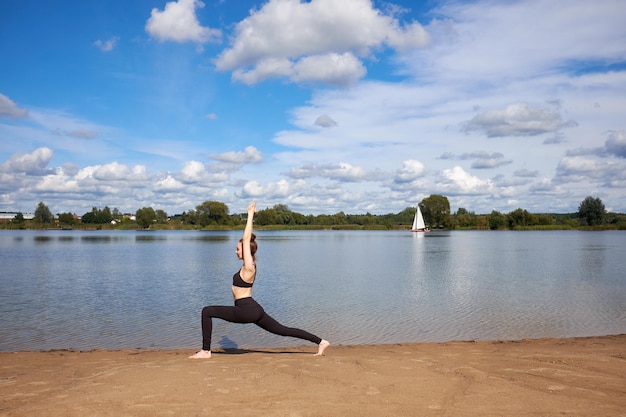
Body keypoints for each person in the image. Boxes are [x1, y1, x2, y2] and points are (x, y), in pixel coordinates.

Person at [189, 200, 330, 359]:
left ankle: (205, 351)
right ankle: (320, 341)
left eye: (238, 249)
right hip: (253, 309)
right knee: (282, 330)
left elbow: (246, 236)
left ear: (246, 250)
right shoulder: (247, 266)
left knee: (207, 311)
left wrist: (250, 215)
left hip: (246, 310)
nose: (236, 252)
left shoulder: (249, 266)